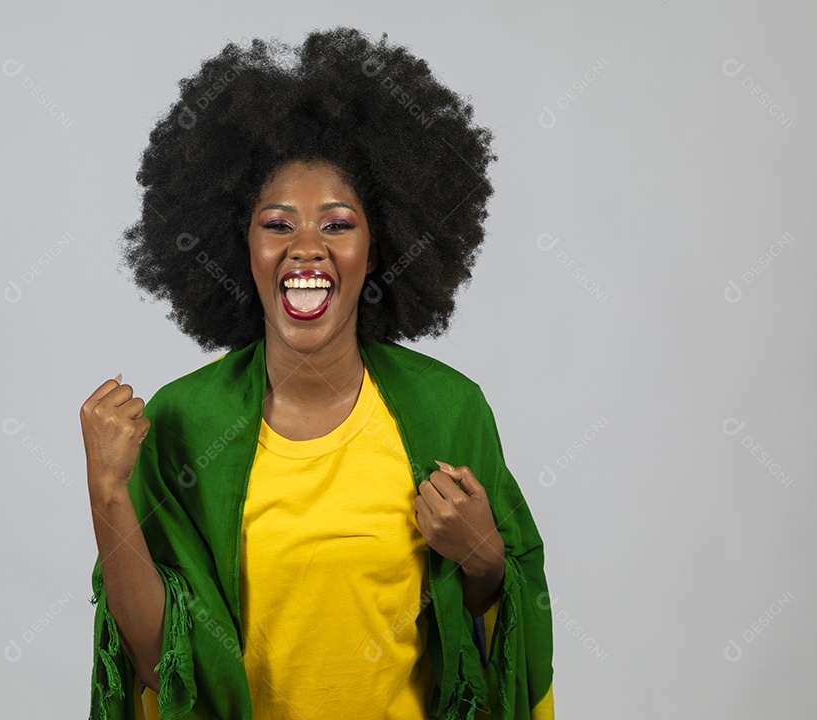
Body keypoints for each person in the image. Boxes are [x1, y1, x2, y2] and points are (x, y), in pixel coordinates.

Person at [79, 26, 553, 720]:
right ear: (240, 244)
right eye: (277, 224)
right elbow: (162, 664)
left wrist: (482, 555)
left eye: (337, 225)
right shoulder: (184, 425)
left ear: (380, 241)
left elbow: (494, 641)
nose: (307, 249)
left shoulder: (447, 411)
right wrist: (108, 494)